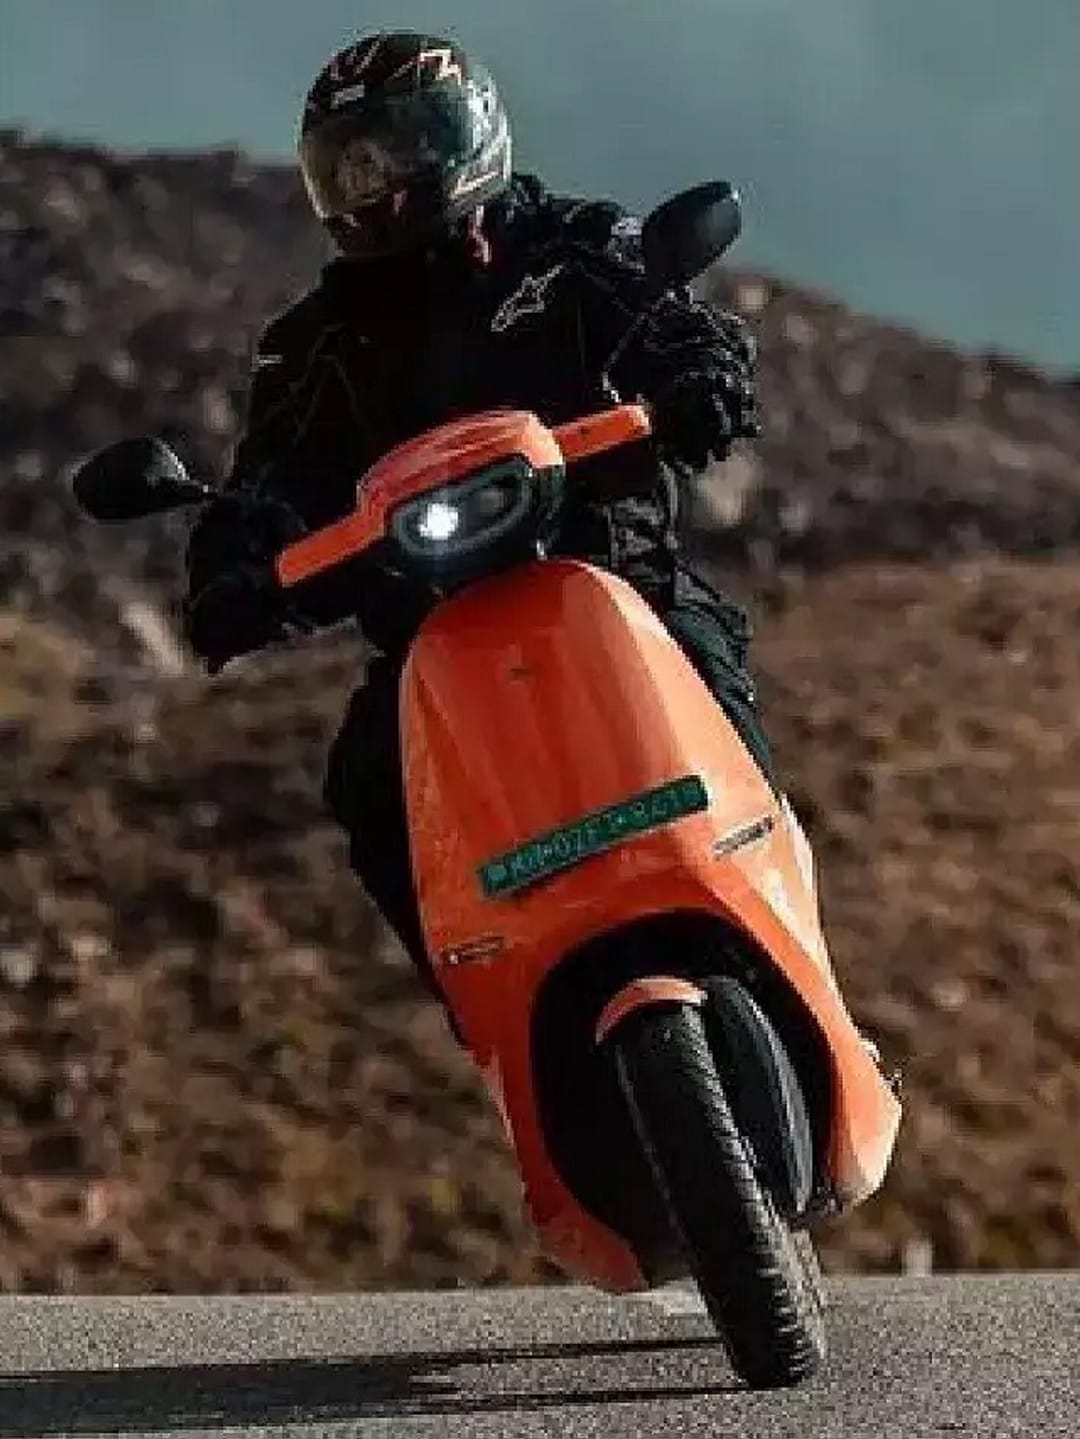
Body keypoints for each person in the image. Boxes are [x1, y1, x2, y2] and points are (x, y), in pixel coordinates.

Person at [182, 30, 775, 1013]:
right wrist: (230, 568)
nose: (380, 184)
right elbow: (268, 481)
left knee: (703, 662)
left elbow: (670, 317)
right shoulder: (313, 348)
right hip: (435, 635)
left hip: (616, 576)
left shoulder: (570, 245)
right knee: (368, 775)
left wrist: (702, 375)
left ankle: (781, 923)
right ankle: (491, 1011)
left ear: (468, 132)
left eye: (401, 148)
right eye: (353, 166)